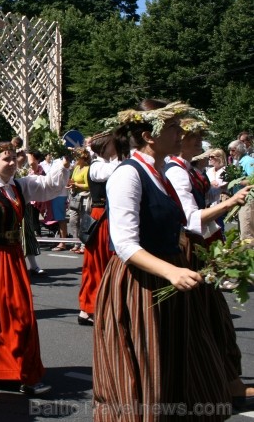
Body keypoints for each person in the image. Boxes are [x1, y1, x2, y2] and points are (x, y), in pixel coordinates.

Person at [93, 100, 231, 421]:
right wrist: (172, 271)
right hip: (140, 282)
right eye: (172, 128)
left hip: (166, 277)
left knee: (179, 363)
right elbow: (125, 244)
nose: (179, 133)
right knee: (147, 364)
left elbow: (182, 224)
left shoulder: (161, 174)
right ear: (148, 136)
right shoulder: (128, 175)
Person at [0, 142, 69, 395]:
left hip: (13, 256)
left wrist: (63, 164)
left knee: (20, 313)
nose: (12, 162)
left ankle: (18, 369)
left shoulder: (20, 185)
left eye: (14, 158)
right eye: (6, 159)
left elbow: (50, 188)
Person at [165, 119, 254, 408]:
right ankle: (215, 384)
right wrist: (228, 204)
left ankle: (227, 382)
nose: (201, 142)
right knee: (206, 319)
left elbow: (205, 200)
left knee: (214, 318)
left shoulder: (189, 169)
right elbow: (190, 218)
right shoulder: (176, 172)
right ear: (184, 140)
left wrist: (230, 191)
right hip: (191, 248)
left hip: (205, 242)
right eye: (196, 137)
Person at [77, 132, 121, 326]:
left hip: (108, 215)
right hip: (101, 215)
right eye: (113, 144)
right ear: (104, 146)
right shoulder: (97, 166)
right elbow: (115, 170)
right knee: (97, 263)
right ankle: (89, 308)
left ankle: (93, 307)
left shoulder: (109, 163)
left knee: (105, 262)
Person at [66, 149, 91, 254]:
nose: (75, 159)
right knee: (73, 220)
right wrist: (71, 184)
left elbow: (88, 185)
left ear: (83, 158)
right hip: (75, 196)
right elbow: (73, 179)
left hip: (84, 197)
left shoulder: (87, 169)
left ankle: (84, 244)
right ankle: (76, 242)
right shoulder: (76, 168)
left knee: (83, 221)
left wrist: (76, 184)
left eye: (77, 157)